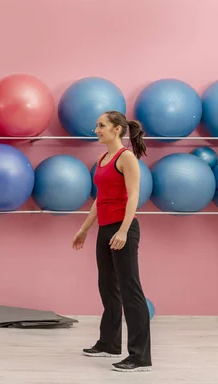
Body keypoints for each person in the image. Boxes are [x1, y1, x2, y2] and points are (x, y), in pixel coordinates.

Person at [71, 110, 152, 373]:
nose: (96, 129)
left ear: (117, 129)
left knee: (131, 290)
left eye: (101, 125)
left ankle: (140, 358)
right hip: (106, 229)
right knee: (107, 286)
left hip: (123, 229)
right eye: (97, 125)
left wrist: (124, 231)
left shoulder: (126, 157)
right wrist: (84, 229)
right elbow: (99, 199)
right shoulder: (103, 158)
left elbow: (133, 196)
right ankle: (109, 343)